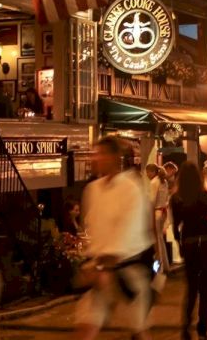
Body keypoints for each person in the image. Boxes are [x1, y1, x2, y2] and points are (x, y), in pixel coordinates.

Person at [74, 137, 154, 340]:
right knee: (85, 328)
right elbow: (91, 229)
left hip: (127, 270)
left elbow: (127, 232)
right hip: (99, 269)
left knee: (138, 331)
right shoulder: (92, 190)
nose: (95, 158)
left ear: (113, 157)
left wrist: (103, 265)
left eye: (100, 154)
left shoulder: (130, 188)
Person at [171, 161, 207, 340]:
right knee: (205, 289)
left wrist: (180, 245)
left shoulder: (176, 199)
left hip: (189, 243)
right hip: (205, 242)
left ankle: (185, 325)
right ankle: (202, 328)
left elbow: (176, 227)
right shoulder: (204, 196)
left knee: (191, 288)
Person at [146, 163, 170, 273]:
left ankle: (159, 268)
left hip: (156, 212)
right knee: (160, 239)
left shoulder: (154, 182)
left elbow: (151, 201)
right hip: (164, 211)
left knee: (157, 240)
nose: (147, 174)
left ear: (153, 172)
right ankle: (165, 265)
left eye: (148, 172)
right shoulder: (164, 182)